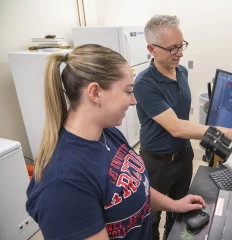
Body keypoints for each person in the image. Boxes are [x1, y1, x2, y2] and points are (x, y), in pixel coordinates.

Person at [26, 44, 206, 240]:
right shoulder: (64, 183)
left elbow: (135, 186)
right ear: (95, 93)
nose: (133, 101)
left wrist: (174, 204)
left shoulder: (108, 133)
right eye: (128, 92)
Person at [133, 15, 232, 240]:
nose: (180, 53)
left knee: (180, 211)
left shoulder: (182, 72)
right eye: (172, 49)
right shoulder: (144, 83)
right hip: (157, 163)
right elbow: (176, 127)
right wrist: (226, 132)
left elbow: (182, 120)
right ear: (151, 48)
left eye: (181, 46)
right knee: (149, 219)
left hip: (184, 157)